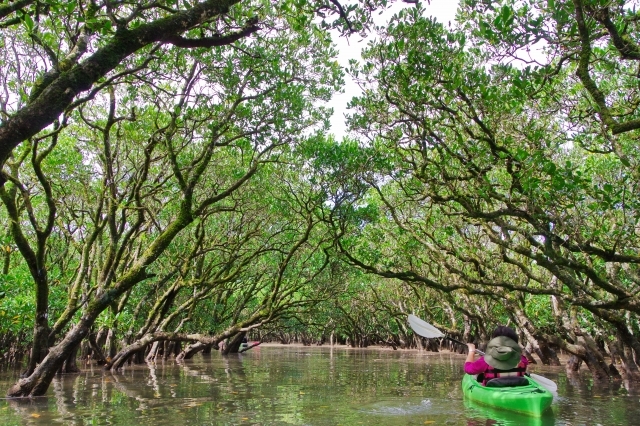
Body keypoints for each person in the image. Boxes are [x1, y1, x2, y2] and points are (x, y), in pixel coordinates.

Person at [464, 325, 529, 386]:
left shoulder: (486, 360)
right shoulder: (522, 359)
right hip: (518, 389)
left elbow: (468, 369)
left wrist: (471, 351)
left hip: (493, 390)